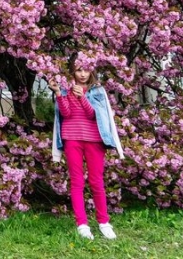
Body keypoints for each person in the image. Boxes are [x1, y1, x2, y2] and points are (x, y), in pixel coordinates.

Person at [47, 55, 124, 240]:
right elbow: (66, 113)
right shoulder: (66, 90)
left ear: (91, 71)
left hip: (94, 141)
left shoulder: (97, 91)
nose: (82, 74)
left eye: (86, 70)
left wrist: (82, 98)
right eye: (78, 70)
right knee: (77, 182)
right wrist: (58, 93)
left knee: (97, 182)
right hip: (72, 139)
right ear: (72, 71)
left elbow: (93, 115)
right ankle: (82, 224)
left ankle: (103, 222)